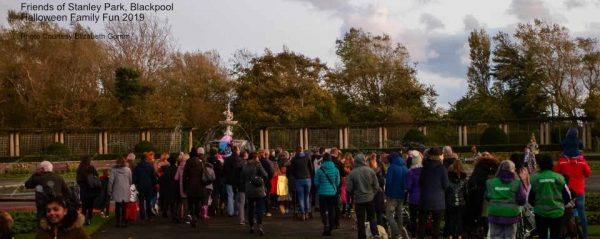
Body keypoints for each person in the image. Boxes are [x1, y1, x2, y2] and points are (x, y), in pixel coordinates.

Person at [554, 127, 591, 239]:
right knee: (582, 214)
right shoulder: (582, 161)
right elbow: (588, 173)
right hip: (579, 191)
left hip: (567, 193)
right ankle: (585, 236)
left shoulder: (561, 162)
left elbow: (555, 175)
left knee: (566, 216)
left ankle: (568, 234)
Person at [530, 154, 571, 239]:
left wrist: (537, 206)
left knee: (542, 236)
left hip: (540, 214)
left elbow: (529, 198)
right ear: (552, 165)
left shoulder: (534, 178)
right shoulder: (559, 178)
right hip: (557, 213)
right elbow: (567, 197)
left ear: (540, 165)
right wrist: (560, 205)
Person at [486, 160, 527, 239]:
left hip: (495, 213)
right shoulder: (517, 183)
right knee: (510, 236)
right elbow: (522, 200)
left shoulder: (490, 182)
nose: (515, 170)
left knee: (495, 236)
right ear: (510, 170)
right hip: (511, 215)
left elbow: (487, 197)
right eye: (514, 169)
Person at [465, 155, 499, 238]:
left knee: (481, 214)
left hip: (480, 194)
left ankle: (481, 231)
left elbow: (472, 181)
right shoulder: (496, 167)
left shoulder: (479, 167)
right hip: (496, 194)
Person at [418, 148, 449, 239]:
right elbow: (446, 185)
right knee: (436, 223)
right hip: (438, 200)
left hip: (425, 199)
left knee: (422, 223)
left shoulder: (424, 168)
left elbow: (421, 183)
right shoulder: (442, 169)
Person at [347, 153, 380, 239]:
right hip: (369, 198)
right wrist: (372, 194)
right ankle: (375, 234)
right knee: (372, 217)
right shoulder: (371, 171)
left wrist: (349, 199)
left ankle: (362, 236)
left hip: (358, 200)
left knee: (360, 220)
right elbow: (376, 186)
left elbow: (349, 189)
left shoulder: (352, 173)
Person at [242, 152, 268, 236]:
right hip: (258, 189)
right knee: (259, 208)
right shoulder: (258, 164)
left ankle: (251, 226)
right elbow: (265, 174)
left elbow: (242, 177)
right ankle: (260, 226)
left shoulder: (245, 165)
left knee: (250, 208)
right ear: (255, 157)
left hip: (249, 189)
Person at [314, 153, 341, 236]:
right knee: (331, 209)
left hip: (322, 193)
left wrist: (320, 187)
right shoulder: (336, 170)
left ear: (323, 160)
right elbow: (337, 182)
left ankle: (325, 223)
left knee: (323, 210)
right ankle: (331, 225)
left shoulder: (319, 170)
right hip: (332, 193)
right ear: (331, 160)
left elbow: (316, 183)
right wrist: (334, 187)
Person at [385, 152, 408, 239]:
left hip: (392, 195)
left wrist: (386, 193)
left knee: (389, 214)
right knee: (399, 214)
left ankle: (396, 233)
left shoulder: (392, 167)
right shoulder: (405, 167)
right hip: (401, 194)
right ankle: (400, 234)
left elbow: (388, 182)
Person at [288, 146, 314, 221]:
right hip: (307, 179)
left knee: (301, 197)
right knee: (307, 197)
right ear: (302, 150)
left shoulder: (294, 159)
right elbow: (311, 168)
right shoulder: (307, 157)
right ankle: (307, 212)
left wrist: (296, 176)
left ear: (296, 151)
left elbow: (292, 170)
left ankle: (302, 213)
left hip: (299, 179)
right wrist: (310, 176)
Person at [183, 154, 209, 227]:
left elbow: (184, 177)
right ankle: (196, 216)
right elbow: (205, 174)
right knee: (198, 202)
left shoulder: (188, 164)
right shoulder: (201, 164)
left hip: (190, 186)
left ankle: (193, 216)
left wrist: (184, 188)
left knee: (191, 203)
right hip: (200, 186)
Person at [133, 151, 158, 224]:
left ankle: (142, 218)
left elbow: (134, 178)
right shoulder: (150, 166)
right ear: (146, 159)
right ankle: (149, 217)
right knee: (148, 201)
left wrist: (137, 184)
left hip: (140, 186)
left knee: (141, 202)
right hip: (148, 186)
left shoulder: (137, 167)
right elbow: (153, 177)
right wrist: (155, 184)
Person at [444, 160, 467, 239]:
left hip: (450, 201)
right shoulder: (464, 180)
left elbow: (446, 191)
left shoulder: (448, 178)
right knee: (459, 219)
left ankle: (450, 235)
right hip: (461, 202)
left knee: (451, 219)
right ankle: (460, 235)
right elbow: (466, 192)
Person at [108, 156, 132, 227]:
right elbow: (130, 180)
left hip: (117, 189)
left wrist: (109, 190)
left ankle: (118, 221)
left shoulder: (114, 170)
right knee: (124, 206)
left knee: (117, 206)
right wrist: (128, 185)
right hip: (125, 189)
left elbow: (110, 181)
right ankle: (124, 221)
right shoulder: (128, 170)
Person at [76, 156, 100, 225]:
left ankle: (83, 219)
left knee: (84, 206)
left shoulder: (80, 169)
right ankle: (89, 219)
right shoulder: (91, 168)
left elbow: (78, 180)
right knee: (90, 206)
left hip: (84, 189)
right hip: (91, 189)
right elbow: (97, 176)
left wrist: (83, 184)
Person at [406, 150, 423, 238]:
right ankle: (421, 234)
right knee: (422, 218)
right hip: (423, 198)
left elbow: (408, 187)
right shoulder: (424, 171)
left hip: (413, 198)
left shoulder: (410, 173)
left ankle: (413, 234)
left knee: (413, 217)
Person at [367, 153, 386, 226]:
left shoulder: (368, 170)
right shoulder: (377, 170)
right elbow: (382, 180)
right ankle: (378, 227)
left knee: (373, 211)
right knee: (378, 210)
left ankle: (372, 227)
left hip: (371, 191)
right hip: (377, 191)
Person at [223, 146, 242, 217]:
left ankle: (230, 212)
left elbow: (224, 170)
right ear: (236, 151)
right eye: (239, 150)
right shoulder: (239, 160)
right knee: (237, 195)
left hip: (228, 180)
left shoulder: (227, 159)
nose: (239, 151)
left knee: (230, 195)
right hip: (237, 180)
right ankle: (236, 211)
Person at [159, 156, 179, 221]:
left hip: (169, 187)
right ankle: (175, 215)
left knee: (169, 201)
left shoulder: (167, 169)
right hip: (176, 187)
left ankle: (170, 214)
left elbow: (164, 178)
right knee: (175, 202)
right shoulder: (177, 168)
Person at [174, 152, 190, 223]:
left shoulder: (179, 167)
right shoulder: (189, 167)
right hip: (187, 187)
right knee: (186, 203)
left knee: (180, 203)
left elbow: (176, 178)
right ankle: (186, 216)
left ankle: (180, 215)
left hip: (181, 187)